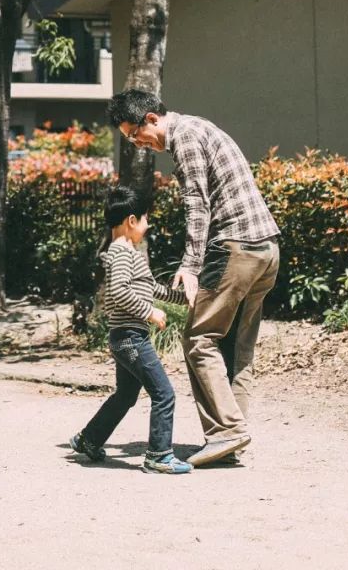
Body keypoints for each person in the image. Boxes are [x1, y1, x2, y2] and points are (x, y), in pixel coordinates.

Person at [109, 88, 280, 468]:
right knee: (235, 347)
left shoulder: (183, 137)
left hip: (235, 246)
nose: (138, 143)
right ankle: (231, 438)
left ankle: (227, 432)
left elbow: (197, 205)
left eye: (135, 134)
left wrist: (189, 264)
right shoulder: (202, 128)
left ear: (151, 118)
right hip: (266, 250)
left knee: (199, 339)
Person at [70, 185, 192, 475]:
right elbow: (120, 290)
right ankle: (159, 455)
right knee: (164, 393)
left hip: (123, 338)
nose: (148, 227)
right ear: (131, 221)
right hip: (131, 338)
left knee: (125, 396)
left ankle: (89, 439)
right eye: (146, 220)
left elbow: (152, 288)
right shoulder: (122, 254)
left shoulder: (127, 254)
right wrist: (148, 311)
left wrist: (186, 298)